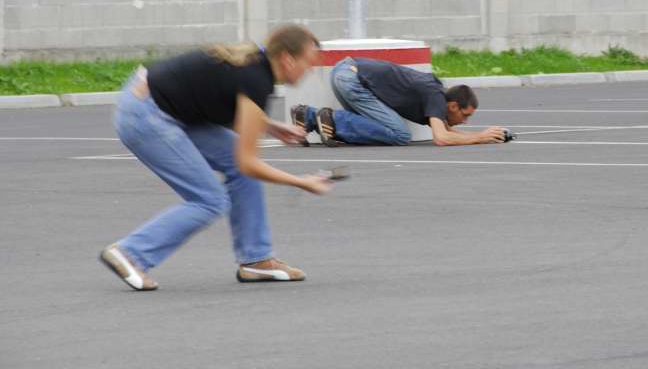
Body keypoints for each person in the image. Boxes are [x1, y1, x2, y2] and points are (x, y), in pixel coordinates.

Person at [99, 25, 331, 291]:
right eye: (308, 63)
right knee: (209, 200)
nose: (310, 71)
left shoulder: (255, 63)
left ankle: (256, 259)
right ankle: (131, 253)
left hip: (156, 102)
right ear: (288, 59)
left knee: (235, 164)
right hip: (146, 115)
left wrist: (268, 125)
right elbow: (249, 163)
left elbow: (221, 95)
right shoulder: (256, 80)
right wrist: (301, 182)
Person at [291, 57, 507, 147]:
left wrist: (485, 137)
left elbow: (448, 131)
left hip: (346, 72)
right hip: (352, 78)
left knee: (378, 127)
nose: (465, 121)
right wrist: (480, 137)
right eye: (465, 115)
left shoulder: (436, 95)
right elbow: (442, 138)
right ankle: (333, 120)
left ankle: (307, 115)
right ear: (452, 106)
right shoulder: (435, 95)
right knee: (400, 135)